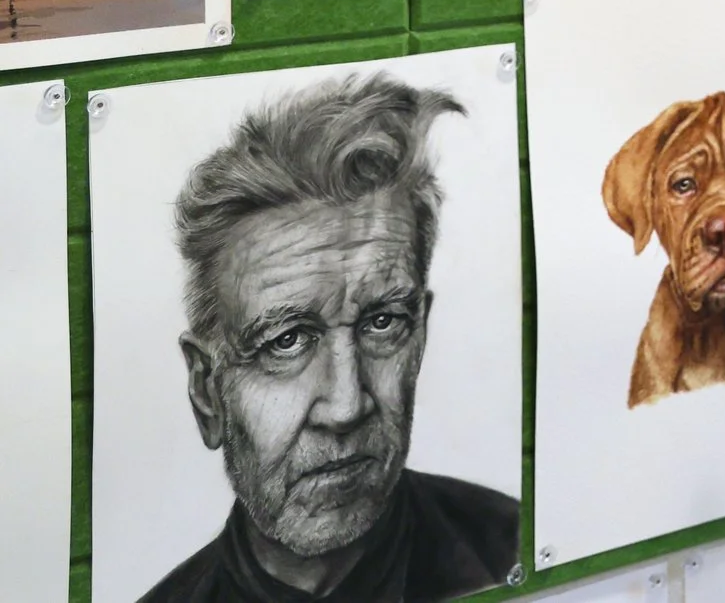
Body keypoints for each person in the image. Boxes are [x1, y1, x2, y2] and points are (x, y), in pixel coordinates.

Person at [147, 74, 517, 603]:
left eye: (383, 323)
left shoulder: (508, 549)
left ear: (422, 336)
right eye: (286, 341)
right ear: (207, 393)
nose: (346, 406)